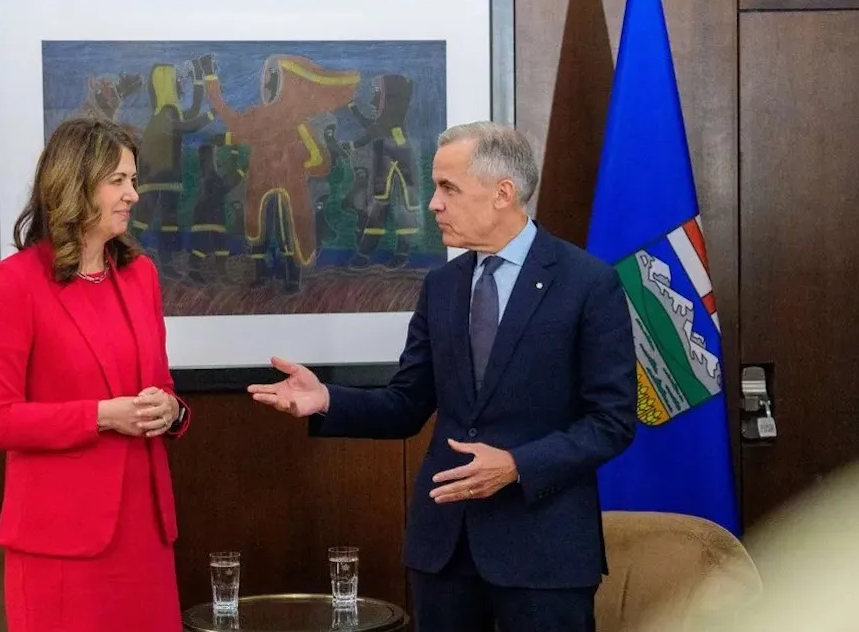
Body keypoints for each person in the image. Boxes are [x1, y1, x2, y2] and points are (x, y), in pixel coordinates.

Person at [248, 121, 637, 631]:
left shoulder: (588, 283)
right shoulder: (442, 287)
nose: (433, 203)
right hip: (445, 551)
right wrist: (325, 399)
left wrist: (517, 464)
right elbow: (408, 403)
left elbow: (611, 421)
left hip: (544, 553)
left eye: (448, 188)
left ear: (503, 193)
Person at [0, 117, 190, 631]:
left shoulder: (141, 276)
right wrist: (100, 417)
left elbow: (164, 389)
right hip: (61, 546)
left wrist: (171, 410)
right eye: (118, 180)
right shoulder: (16, 282)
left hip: (146, 534)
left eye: (133, 180)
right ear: (74, 183)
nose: (132, 194)